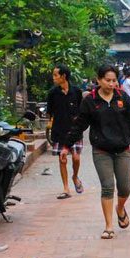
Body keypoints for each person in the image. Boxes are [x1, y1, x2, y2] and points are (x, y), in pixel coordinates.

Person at [63, 65, 130, 240]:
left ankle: (120, 208)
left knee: (125, 187)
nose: (111, 84)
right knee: (108, 186)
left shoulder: (123, 98)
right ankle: (109, 226)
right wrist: (66, 146)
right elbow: (80, 125)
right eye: (107, 80)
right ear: (99, 80)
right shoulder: (90, 101)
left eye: (114, 80)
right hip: (101, 151)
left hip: (122, 149)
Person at [46, 65, 84, 199]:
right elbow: (49, 112)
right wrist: (50, 123)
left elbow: (82, 111)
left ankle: (75, 176)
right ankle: (66, 188)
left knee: (76, 158)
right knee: (62, 160)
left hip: (74, 131)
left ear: (64, 76)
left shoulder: (77, 92)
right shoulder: (52, 93)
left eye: (56, 75)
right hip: (59, 130)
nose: (53, 78)